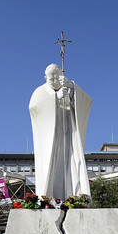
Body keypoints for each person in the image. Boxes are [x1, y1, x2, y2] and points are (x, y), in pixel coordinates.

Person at [29, 63, 92, 199]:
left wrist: (72, 88)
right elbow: (34, 108)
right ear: (45, 78)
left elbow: (86, 102)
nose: (54, 82)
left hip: (67, 136)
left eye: (57, 78)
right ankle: (48, 198)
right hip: (51, 139)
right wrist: (55, 98)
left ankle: (73, 196)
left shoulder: (68, 87)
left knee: (70, 164)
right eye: (51, 79)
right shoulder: (40, 91)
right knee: (52, 166)